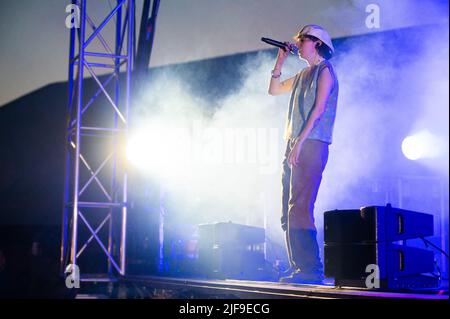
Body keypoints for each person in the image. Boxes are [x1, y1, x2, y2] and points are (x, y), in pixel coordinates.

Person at [268, 25, 339, 284]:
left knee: (300, 207)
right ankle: (299, 267)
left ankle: (311, 269)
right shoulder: (301, 75)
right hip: (295, 143)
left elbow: (319, 109)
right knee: (287, 210)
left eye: (302, 40)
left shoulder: (325, 71)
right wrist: (280, 59)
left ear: (316, 43)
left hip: (311, 143)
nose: (298, 43)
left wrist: (299, 142)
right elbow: (274, 89)